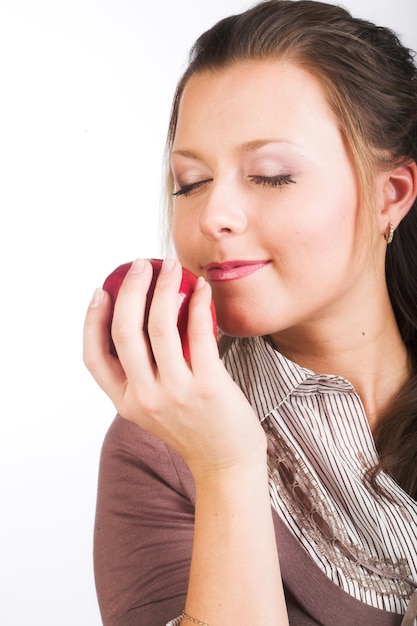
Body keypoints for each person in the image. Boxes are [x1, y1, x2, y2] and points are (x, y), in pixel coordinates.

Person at [83, 1, 417, 624]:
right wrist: (226, 466)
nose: (211, 217)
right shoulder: (153, 449)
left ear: (388, 196)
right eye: (189, 183)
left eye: (270, 175)